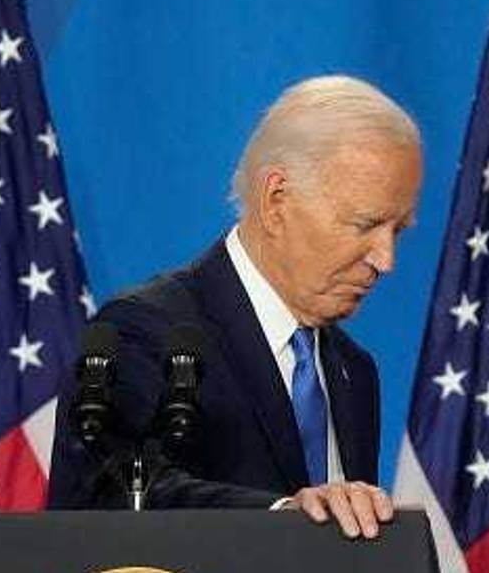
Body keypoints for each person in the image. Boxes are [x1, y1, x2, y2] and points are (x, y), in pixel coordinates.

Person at [47, 75, 423, 540]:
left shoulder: (354, 372)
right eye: (365, 224)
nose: (385, 260)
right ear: (276, 200)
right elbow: (110, 502)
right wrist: (284, 517)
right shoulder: (146, 333)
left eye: (397, 230)